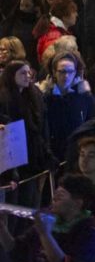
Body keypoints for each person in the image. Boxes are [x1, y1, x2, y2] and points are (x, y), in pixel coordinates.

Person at [0, 174, 95, 262]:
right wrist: (2, 229)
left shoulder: (89, 233)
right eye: (55, 194)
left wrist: (45, 235)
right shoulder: (48, 220)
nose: (54, 198)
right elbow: (17, 252)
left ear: (77, 203)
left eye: (60, 196)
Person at [0, 60, 50, 217]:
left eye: (29, 73)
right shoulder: (3, 97)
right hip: (11, 162)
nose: (27, 76)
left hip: (32, 158)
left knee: (30, 205)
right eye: (22, 73)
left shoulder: (35, 95)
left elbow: (43, 126)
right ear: (11, 75)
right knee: (13, 208)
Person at [43, 52, 95, 165]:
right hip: (57, 157)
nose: (66, 76)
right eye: (62, 71)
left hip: (80, 155)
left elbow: (92, 122)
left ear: (75, 72)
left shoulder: (84, 96)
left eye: (70, 72)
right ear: (54, 72)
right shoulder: (46, 98)